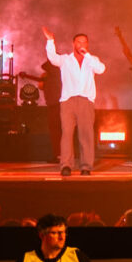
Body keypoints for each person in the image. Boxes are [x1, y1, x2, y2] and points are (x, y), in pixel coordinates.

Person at [42, 27, 104, 175]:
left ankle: (86, 166)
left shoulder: (92, 60)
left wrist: (87, 55)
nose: (81, 44)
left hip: (86, 101)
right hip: (68, 101)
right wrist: (50, 41)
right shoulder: (65, 60)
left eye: (84, 42)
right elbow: (53, 58)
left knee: (86, 135)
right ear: (73, 44)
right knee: (67, 134)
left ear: (87, 44)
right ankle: (66, 165)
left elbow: (101, 69)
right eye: (78, 42)